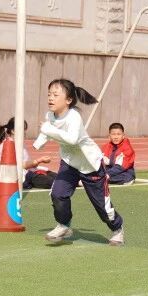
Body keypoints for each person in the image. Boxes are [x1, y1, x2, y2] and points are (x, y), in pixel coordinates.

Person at [35, 79, 124, 246]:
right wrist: (38, 143)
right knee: (58, 194)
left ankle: (117, 229)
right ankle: (64, 225)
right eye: (49, 94)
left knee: (102, 207)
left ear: (68, 100)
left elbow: (72, 139)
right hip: (69, 162)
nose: (50, 98)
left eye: (55, 95)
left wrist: (47, 129)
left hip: (90, 165)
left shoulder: (74, 117)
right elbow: (47, 131)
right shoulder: (49, 116)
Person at [0, 117, 55, 190]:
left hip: (27, 172)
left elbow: (26, 165)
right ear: (13, 131)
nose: (24, 132)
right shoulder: (8, 145)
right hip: (15, 177)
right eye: (22, 129)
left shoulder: (19, 143)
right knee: (53, 182)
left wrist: (37, 162)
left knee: (59, 178)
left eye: (25, 129)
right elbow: (21, 166)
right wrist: (39, 160)